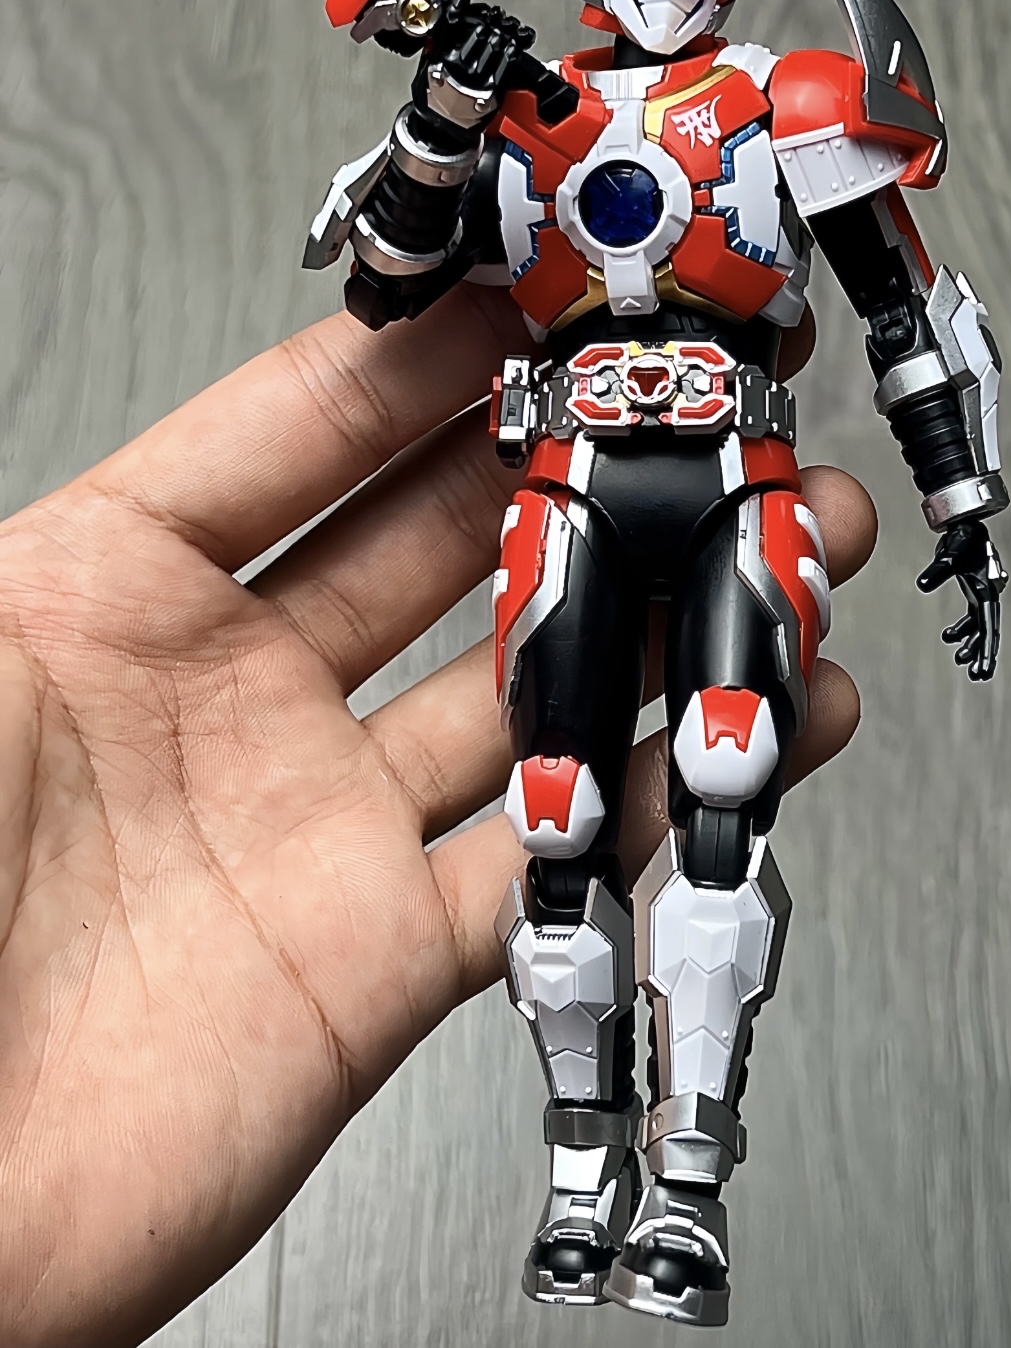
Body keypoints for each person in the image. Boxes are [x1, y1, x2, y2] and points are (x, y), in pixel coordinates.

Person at [0, 283, 875, 1347]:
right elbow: (395, 258)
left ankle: (688, 1187)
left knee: (724, 792)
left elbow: (906, 299)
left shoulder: (787, 156)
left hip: (739, 484)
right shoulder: (513, 160)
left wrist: (961, 494)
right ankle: (585, 1168)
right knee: (555, 820)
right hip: (570, 490)